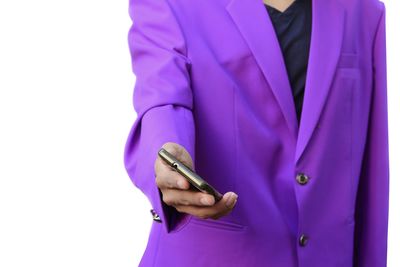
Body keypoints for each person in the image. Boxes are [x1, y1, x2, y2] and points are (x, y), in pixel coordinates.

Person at [123, 0, 389, 266]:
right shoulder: (168, 4)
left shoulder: (363, 11)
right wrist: (168, 152)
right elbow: (162, 100)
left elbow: (372, 168)